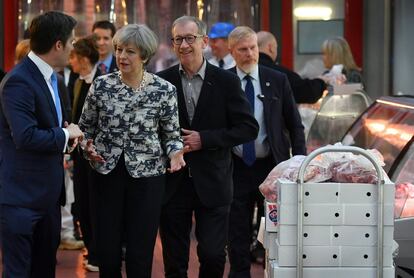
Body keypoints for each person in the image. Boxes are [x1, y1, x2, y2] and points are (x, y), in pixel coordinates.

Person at [78, 23, 186, 277]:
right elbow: (85, 131)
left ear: (145, 56)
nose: (122, 57)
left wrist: (175, 153)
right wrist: (88, 149)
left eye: (130, 52)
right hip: (106, 173)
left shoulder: (164, 90)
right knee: (107, 251)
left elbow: (171, 135)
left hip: (148, 178)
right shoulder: (101, 86)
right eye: (118, 50)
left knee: (140, 252)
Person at [157, 16, 259, 278]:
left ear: (204, 42)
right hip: (173, 183)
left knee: (213, 255)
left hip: (214, 181)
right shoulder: (161, 82)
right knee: (174, 260)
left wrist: (205, 139)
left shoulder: (226, 81)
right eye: (178, 39)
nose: (184, 45)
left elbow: (248, 128)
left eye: (190, 38)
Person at [0, 11, 83, 277]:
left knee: (45, 269)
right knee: (18, 272)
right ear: (58, 44)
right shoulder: (18, 81)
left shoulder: (56, 80)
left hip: (48, 197)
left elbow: (61, 128)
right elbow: (25, 137)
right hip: (19, 198)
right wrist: (66, 136)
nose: (73, 47)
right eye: (71, 41)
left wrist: (73, 140)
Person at [227, 26, 306, 277]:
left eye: (253, 48)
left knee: (273, 226)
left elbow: (294, 123)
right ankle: (240, 273)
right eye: (243, 49)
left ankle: (271, 271)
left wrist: (301, 161)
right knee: (236, 227)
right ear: (232, 52)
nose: (249, 53)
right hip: (235, 166)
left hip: (271, 166)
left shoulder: (277, 80)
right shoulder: (224, 81)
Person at [68, 35, 101, 271]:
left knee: (98, 204)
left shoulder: (103, 80)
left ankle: (100, 254)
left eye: (73, 57)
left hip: (98, 156)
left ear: (83, 58)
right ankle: (91, 249)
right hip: (79, 154)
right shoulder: (76, 81)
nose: (70, 61)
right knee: (81, 203)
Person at [257, 31, 326, 104]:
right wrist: (321, 82)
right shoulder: (276, 72)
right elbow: (305, 92)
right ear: (270, 48)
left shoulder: (248, 69)